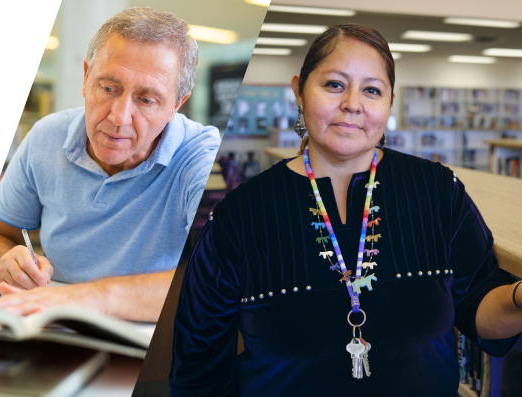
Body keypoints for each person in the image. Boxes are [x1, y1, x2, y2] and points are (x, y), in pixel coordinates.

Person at [170, 23, 522, 396]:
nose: (353, 103)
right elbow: (198, 369)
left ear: (388, 103)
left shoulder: (437, 190)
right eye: (334, 84)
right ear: (299, 91)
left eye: (372, 90)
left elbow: (479, 308)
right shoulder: (240, 215)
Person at [0, 7, 221, 321]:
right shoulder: (47, 137)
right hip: (50, 319)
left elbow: (221, 277)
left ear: (177, 104)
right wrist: (7, 261)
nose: (118, 117)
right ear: (87, 77)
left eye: (146, 99)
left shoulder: (205, 158)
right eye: (108, 88)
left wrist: (90, 297)